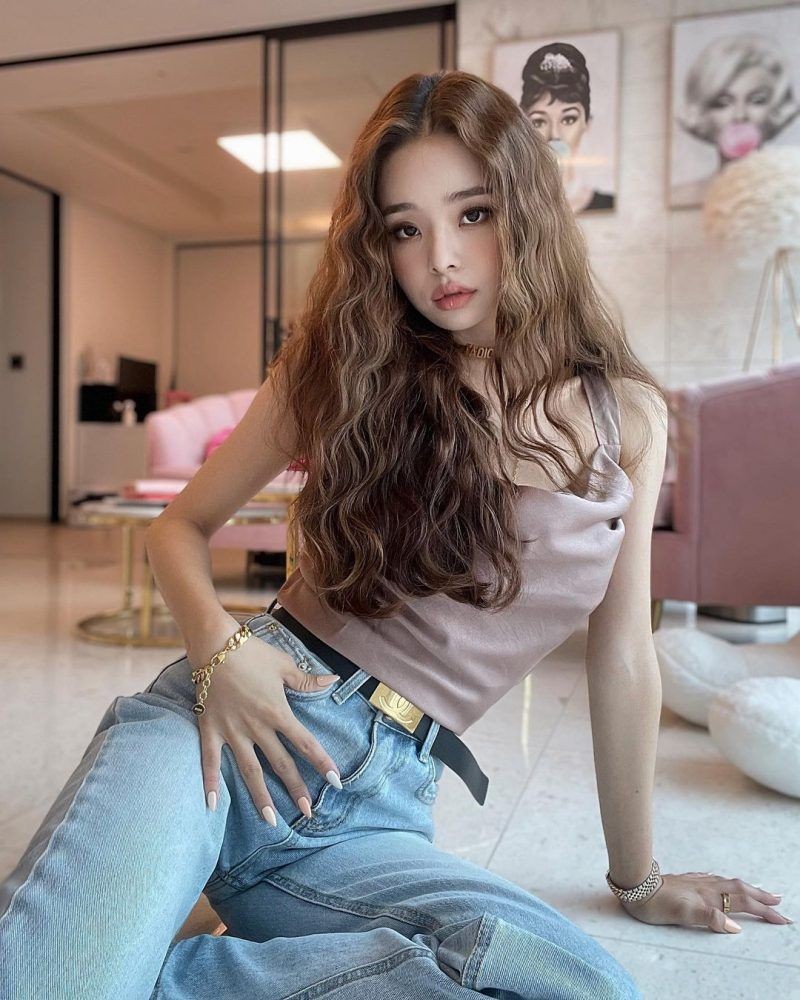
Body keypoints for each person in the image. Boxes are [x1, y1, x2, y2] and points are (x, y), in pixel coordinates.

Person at [0, 69, 790, 1000]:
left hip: (372, 814)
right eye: (405, 229)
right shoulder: (346, 367)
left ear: (528, 212)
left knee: (582, 989)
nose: (441, 260)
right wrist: (219, 652)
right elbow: (181, 526)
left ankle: (135, 959)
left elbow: (623, 653)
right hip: (216, 727)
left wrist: (639, 879)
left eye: (473, 214)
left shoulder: (629, 419)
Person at [671, 31, 800, 207]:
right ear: (703, 113)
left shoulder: (793, 192)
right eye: (723, 104)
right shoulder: (683, 194)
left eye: (757, 101)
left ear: (776, 108)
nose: (740, 115)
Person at [519, 41, 615, 213]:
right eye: (539, 122)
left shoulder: (606, 202)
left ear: (587, 124)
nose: (555, 134)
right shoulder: (509, 212)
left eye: (568, 119)